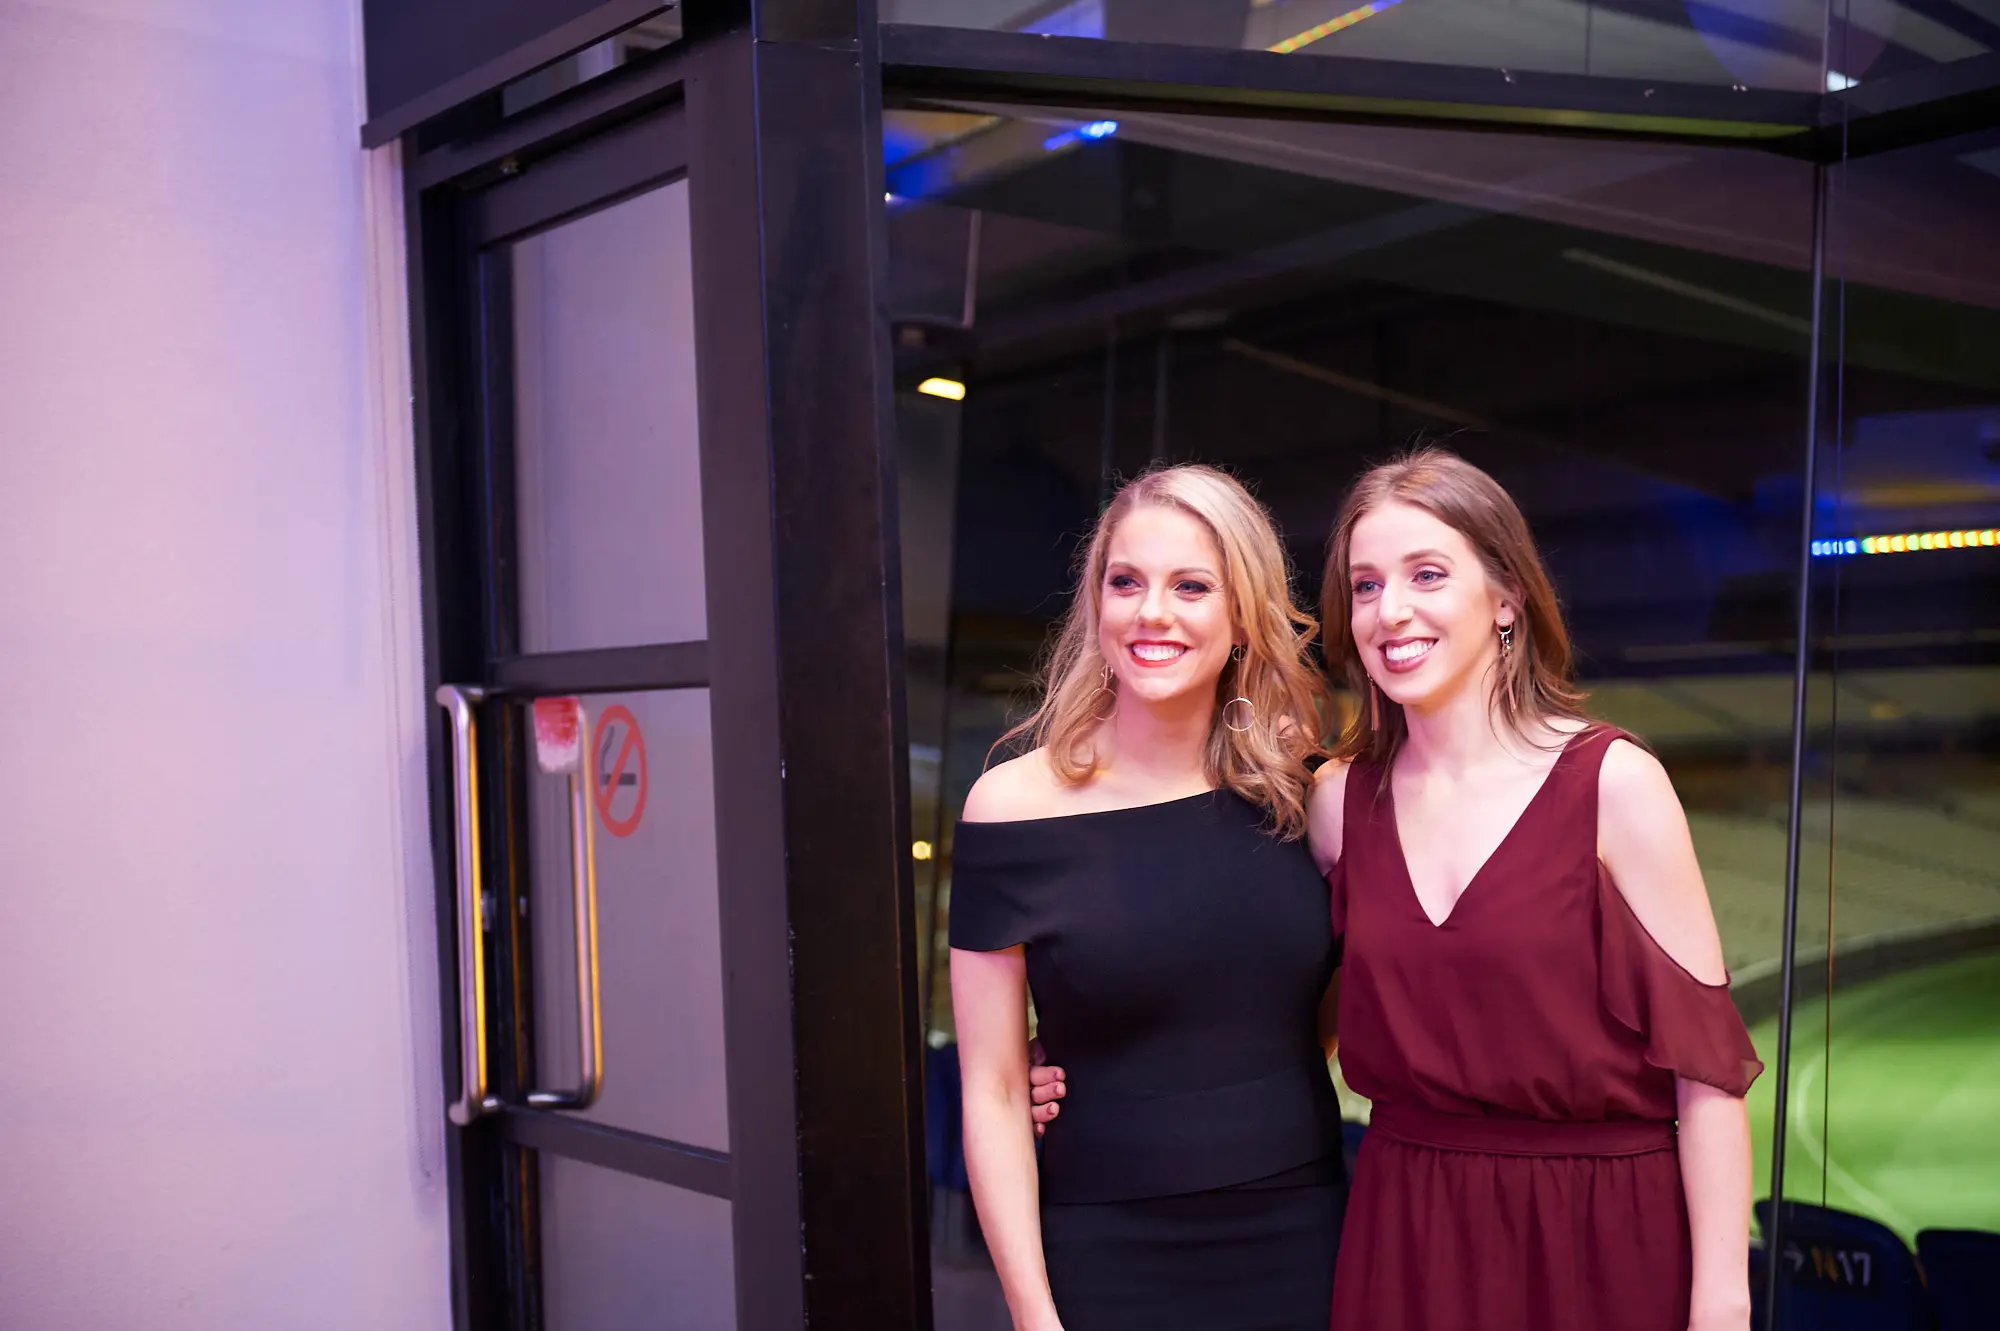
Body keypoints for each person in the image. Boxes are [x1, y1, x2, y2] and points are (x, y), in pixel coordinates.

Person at [1031, 448, 1764, 1331]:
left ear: (1506, 598)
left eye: (1427, 574)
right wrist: (1072, 1056)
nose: (1392, 610)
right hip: (1406, 1228)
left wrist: (1721, 1303)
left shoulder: (1614, 784)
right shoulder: (1339, 799)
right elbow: (1235, 976)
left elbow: (1708, 1074)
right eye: (1367, 584)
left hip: (1600, 1235)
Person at [948, 463, 1347, 1331]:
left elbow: (1312, 1013)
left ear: (1241, 615)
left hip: (1301, 1231)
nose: (1151, 612)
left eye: (1190, 586)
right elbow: (993, 1089)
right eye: (1125, 582)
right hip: (1103, 1247)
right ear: (1095, 604)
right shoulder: (1013, 808)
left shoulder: (1302, 791)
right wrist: (1032, 1313)